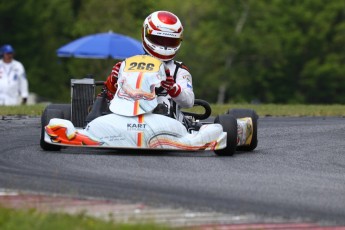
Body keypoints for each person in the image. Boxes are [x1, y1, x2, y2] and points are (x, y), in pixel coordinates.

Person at [102, 11, 194, 122]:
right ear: (145, 34)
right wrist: (113, 82)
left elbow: (189, 102)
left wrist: (172, 88)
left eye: (170, 41)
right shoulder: (128, 64)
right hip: (129, 121)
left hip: (168, 126)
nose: (164, 46)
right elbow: (108, 99)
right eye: (159, 39)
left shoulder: (179, 70)